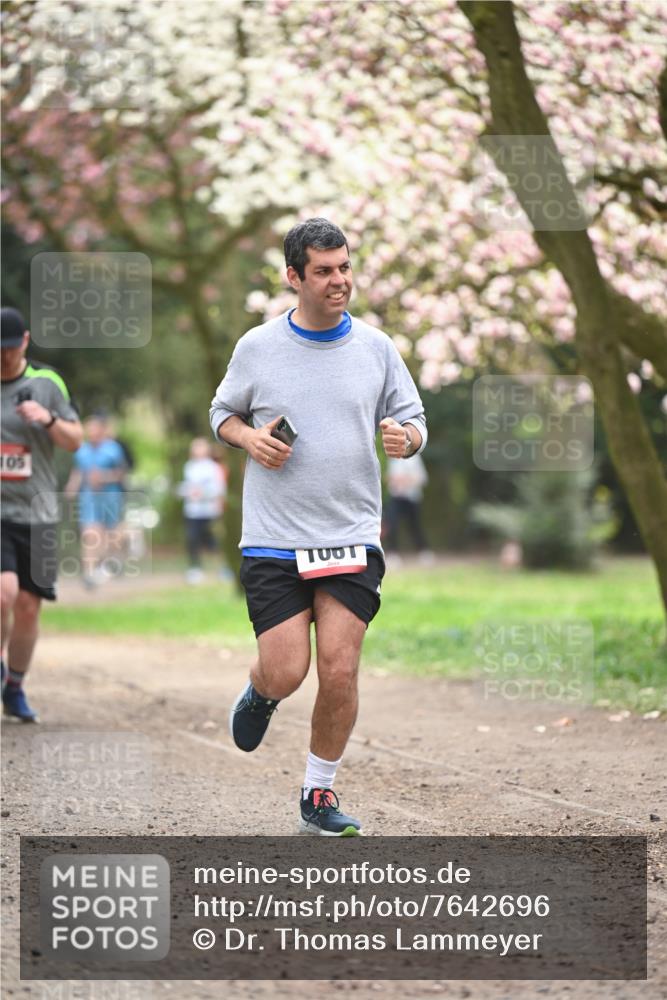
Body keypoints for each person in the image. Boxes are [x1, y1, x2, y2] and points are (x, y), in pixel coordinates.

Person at [209, 218, 427, 836]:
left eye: (345, 267)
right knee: (286, 670)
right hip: (275, 537)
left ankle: (319, 795)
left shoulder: (378, 349)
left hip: (352, 534)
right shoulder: (257, 347)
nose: (339, 281)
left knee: (339, 668)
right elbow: (221, 412)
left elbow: (414, 420)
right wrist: (248, 437)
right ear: (294, 277)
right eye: (325, 271)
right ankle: (261, 692)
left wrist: (405, 438)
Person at [1, 307, 83, 721]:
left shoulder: (46, 384)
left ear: (25, 343)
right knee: (4, 593)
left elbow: (74, 440)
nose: (5, 358)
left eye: (11, 349)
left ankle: (14, 685)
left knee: (29, 605)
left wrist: (47, 419)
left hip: (39, 513)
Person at [65, 414, 128, 588]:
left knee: (111, 536)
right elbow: (78, 471)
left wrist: (104, 477)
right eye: (88, 428)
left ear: (102, 429)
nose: (90, 431)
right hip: (89, 496)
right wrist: (72, 486)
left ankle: (110, 563)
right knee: (90, 533)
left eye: (93, 428)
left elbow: (121, 473)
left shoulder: (113, 449)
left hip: (110, 496)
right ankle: (89, 573)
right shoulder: (82, 449)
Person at [177, 437, 226, 583]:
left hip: (210, 511)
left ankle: (223, 569)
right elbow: (187, 486)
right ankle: (195, 569)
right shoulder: (189, 466)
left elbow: (220, 490)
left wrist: (203, 493)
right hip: (193, 511)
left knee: (215, 541)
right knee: (193, 540)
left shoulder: (213, 467)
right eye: (195, 447)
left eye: (201, 447)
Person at [384, 452, 433, 563]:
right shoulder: (393, 458)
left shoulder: (415, 457)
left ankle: (424, 552)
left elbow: (422, 478)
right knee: (392, 524)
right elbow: (389, 477)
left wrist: (406, 480)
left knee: (415, 526)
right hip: (396, 497)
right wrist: (393, 480)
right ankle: (392, 554)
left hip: (412, 498)